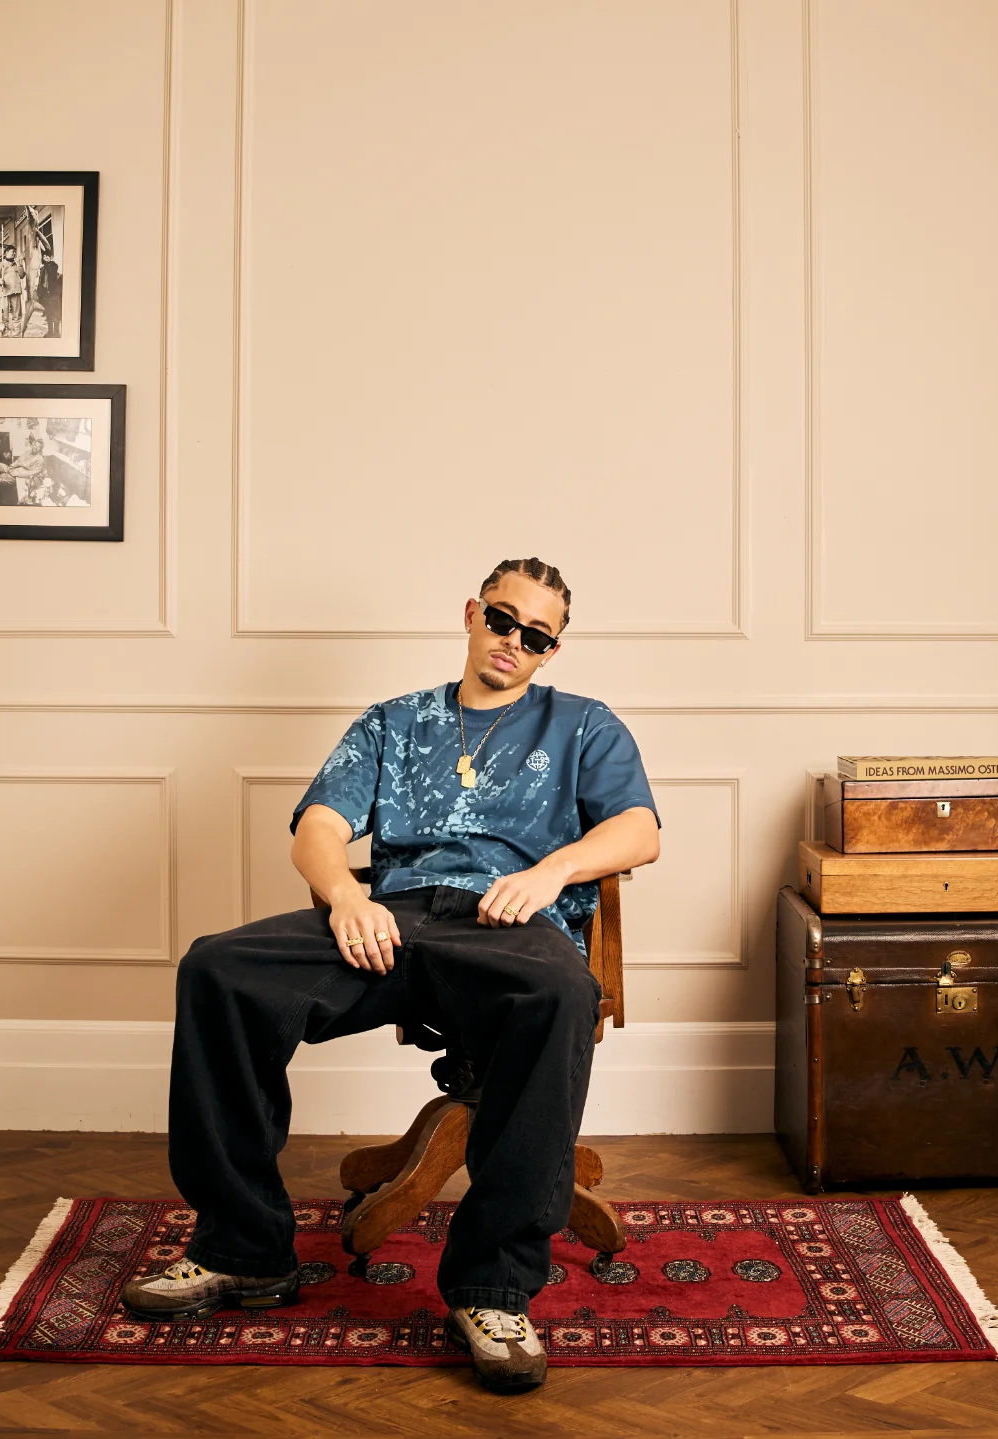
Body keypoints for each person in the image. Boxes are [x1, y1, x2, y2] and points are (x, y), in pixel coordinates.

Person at [120, 558, 661, 1393]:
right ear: (474, 613)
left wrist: (552, 873)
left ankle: (491, 1289)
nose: (515, 642)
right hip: (396, 920)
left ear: (554, 649)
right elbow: (319, 827)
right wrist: (342, 898)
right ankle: (241, 1251)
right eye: (504, 620)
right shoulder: (395, 722)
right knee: (219, 970)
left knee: (561, 992)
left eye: (538, 636)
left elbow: (638, 829)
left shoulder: (584, 725)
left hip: (509, 926)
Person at [0, 244, 25, 337]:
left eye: (15, 252)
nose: (14, 253)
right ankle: (5, 335)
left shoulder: (17, 264)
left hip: (16, 291)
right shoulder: (1, 265)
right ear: (6, 253)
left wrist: (19, 264)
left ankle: (17, 335)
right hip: (4, 292)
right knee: (4, 316)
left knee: (17, 316)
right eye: (12, 252)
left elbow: (22, 275)